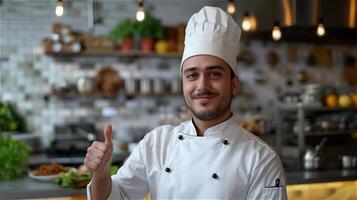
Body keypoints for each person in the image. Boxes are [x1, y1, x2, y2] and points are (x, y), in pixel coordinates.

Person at [84, 6, 288, 200]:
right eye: (192, 75)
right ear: (183, 84)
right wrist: (101, 174)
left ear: (234, 84)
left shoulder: (260, 159)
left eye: (214, 74)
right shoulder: (157, 143)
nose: (202, 85)